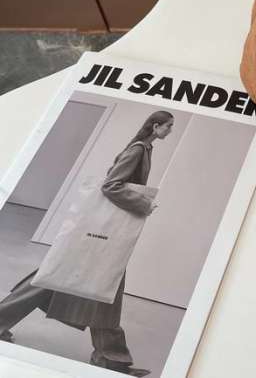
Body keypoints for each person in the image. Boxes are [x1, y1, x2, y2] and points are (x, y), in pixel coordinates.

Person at [0, 110, 174, 376]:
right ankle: (110, 358)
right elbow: (111, 185)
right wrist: (143, 203)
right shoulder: (138, 150)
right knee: (74, 282)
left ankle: (110, 357)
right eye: (168, 126)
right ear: (155, 126)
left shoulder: (145, 148)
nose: (170, 131)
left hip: (103, 234)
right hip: (103, 234)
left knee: (73, 282)